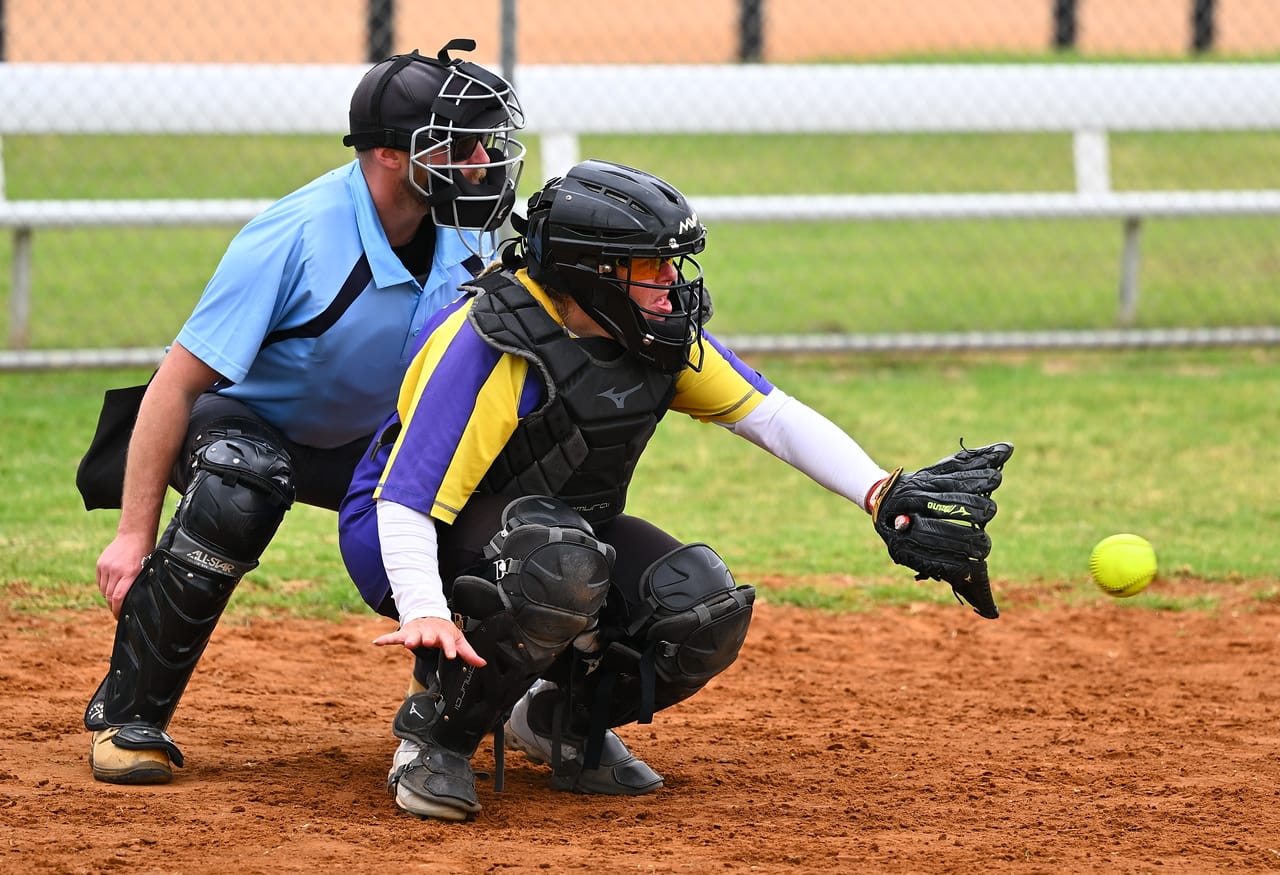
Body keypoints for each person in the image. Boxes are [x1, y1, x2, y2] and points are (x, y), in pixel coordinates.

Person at [337, 159, 1013, 821]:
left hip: (553, 532)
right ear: (593, 273)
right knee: (559, 566)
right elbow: (405, 498)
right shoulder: (492, 343)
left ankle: (556, 719)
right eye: (651, 265)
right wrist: (422, 608)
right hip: (400, 536)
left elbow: (771, 415)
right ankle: (435, 739)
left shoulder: (650, 335)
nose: (672, 281)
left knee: (701, 607)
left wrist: (878, 492)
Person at [81, 38, 526, 786]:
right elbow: (173, 385)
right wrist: (133, 537)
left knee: (489, 489)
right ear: (389, 154)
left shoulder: (469, 224)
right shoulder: (293, 235)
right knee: (239, 480)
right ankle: (131, 716)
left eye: (486, 141)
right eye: (460, 144)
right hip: (248, 425)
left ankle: (472, 710)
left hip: (370, 441)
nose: (482, 160)